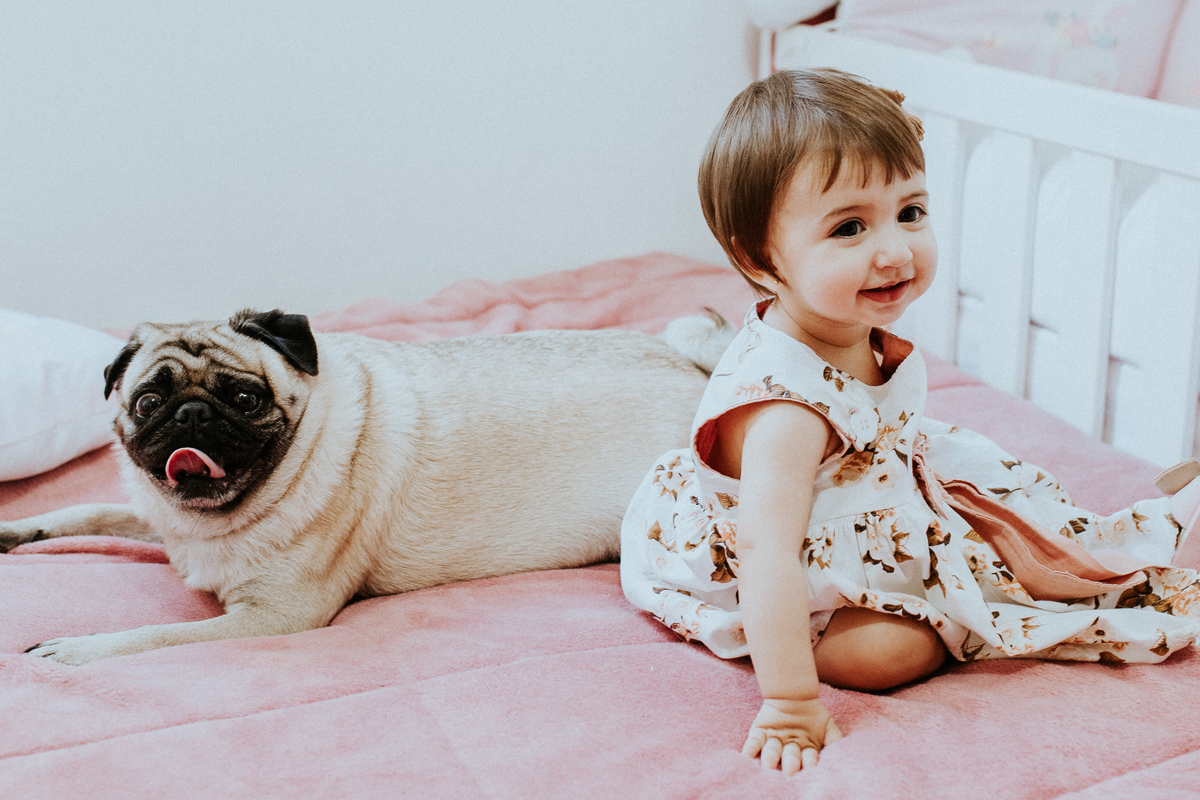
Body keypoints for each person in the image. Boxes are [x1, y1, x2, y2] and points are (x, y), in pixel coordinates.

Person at [620, 68, 1200, 776]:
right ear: (759, 258)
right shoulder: (784, 416)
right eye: (850, 227)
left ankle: (1159, 533)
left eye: (911, 212)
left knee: (1015, 505)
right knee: (894, 651)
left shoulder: (839, 321)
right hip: (764, 551)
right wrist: (791, 702)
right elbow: (766, 555)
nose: (895, 250)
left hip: (864, 487)